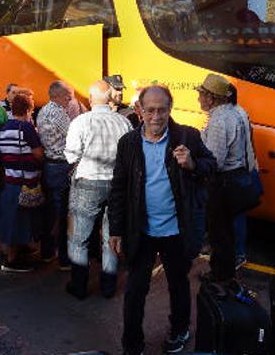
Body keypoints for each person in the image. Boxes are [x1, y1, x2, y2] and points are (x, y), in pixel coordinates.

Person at [108, 85, 216, 355]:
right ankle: (132, 343)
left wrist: (192, 164)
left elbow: (211, 166)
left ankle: (179, 331)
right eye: (150, 110)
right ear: (140, 111)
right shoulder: (128, 142)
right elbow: (119, 188)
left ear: (170, 109)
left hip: (176, 231)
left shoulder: (187, 136)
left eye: (162, 110)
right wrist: (116, 230)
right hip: (140, 230)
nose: (156, 116)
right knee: (134, 291)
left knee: (179, 286)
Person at [64, 80, 132, 299]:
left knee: (79, 239)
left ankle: (79, 287)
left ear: (91, 99)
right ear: (110, 98)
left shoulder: (80, 122)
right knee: (111, 237)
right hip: (117, 185)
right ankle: (108, 288)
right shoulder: (123, 122)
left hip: (87, 182)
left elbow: (71, 155)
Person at [196, 73, 250, 283]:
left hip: (222, 183)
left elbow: (214, 161)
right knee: (226, 230)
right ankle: (225, 272)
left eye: (201, 94)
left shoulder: (219, 121)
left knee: (219, 233)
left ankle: (219, 275)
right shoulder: (235, 113)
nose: (198, 98)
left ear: (211, 98)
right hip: (234, 178)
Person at [0, 93, 42, 272]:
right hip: (25, 182)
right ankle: (12, 260)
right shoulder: (27, 128)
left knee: (11, 219)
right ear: (28, 109)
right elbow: (38, 153)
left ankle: (13, 253)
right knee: (20, 220)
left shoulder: (5, 127)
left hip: (9, 180)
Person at [36, 80, 74, 268]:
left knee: (49, 211)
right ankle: (64, 258)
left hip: (49, 166)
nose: (71, 99)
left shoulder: (43, 111)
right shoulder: (58, 113)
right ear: (58, 95)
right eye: (68, 96)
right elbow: (74, 137)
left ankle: (47, 251)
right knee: (63, 213)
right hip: (61, 167)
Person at [226, 82, 261, 270]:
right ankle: (238, 253)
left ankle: (237, 255)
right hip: (246, 170)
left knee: (234, 217)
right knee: (239, 216)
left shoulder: (229, 118)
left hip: (236, 174)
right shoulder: (242, 112)